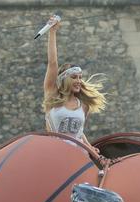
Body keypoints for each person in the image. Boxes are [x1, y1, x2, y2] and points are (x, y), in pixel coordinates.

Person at [43, 15, 106, 146]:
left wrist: (92, 150)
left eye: (79, 77)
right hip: (55, 152)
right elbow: (52, 63)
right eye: (73, 77)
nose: (78, 81)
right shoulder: (52, 96)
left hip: (78, 155)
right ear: (63, 80)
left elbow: (79, 133)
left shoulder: (83, 105)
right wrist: (52, 31)